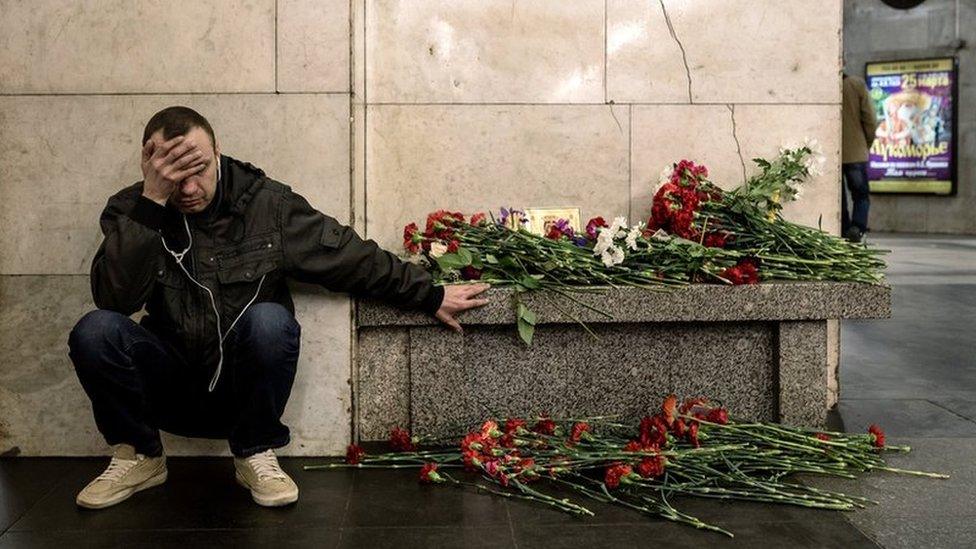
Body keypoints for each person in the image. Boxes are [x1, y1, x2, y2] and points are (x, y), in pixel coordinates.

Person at [68, 106, 489, 509]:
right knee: (95, 330)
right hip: (169, 384)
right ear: (151, 167)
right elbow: (115, 300)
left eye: (198, 171)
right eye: (175, 177)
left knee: (270, 320)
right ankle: (140, 457)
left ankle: (254, 452)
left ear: (217, 154)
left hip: (240, 388)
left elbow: (348, 256)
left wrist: (429, 294)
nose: (190, 189)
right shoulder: (132, 210)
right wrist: (152, 202)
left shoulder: (266, 205)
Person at [841, 73, 878, 243]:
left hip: (831, 153)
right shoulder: (856, 85)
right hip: (855, 151)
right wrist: (866, 143)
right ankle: (857, 227)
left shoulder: (827, 85)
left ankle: (843, 229)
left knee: (838, 198)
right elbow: (870, 118)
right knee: (860, 195)